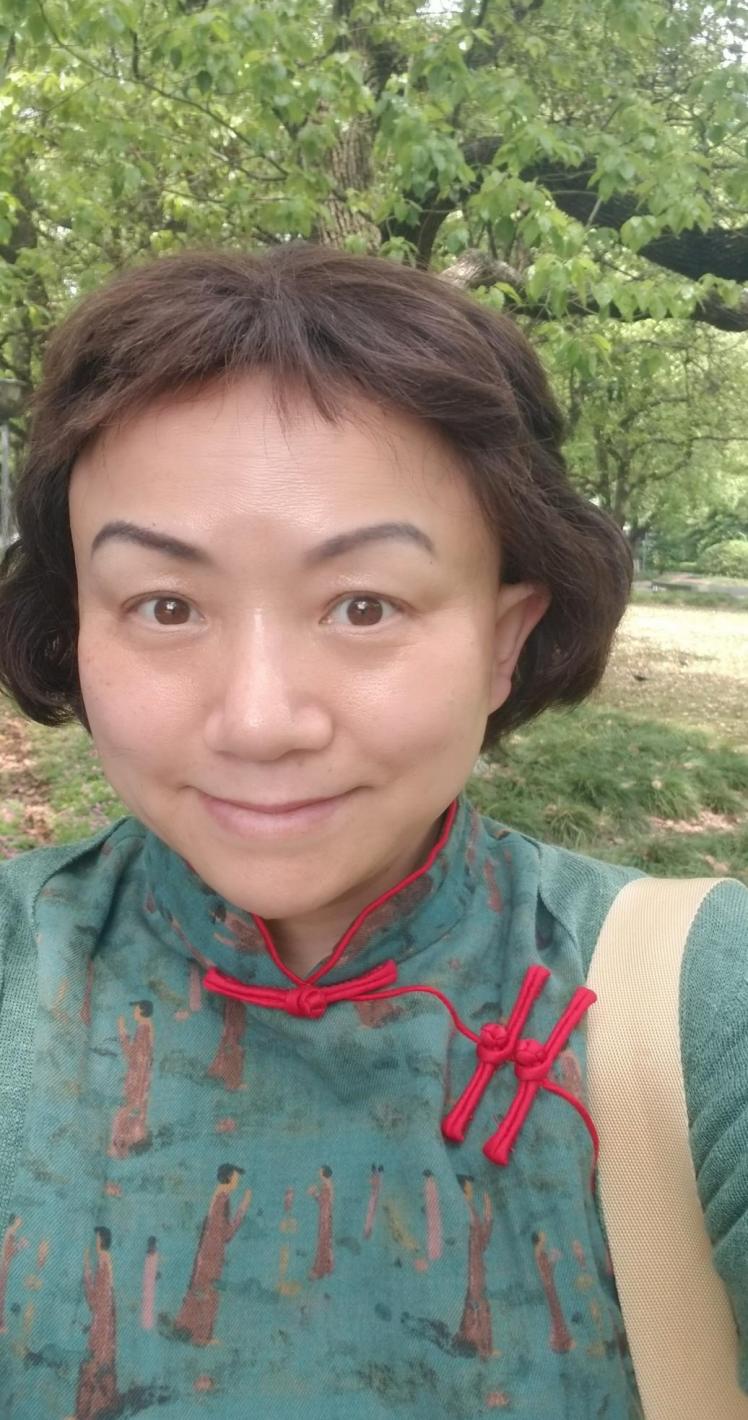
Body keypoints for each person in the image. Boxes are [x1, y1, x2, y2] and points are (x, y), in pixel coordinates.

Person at [0, 243, 744, 1418]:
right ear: (76, 629)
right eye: (166, 604)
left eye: (363, 605)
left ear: (502, 640)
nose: (259, 720)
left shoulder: (697, 1006)